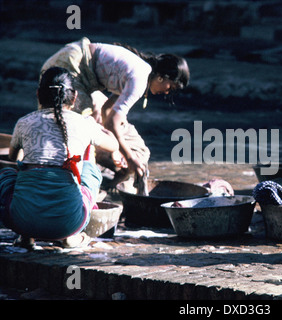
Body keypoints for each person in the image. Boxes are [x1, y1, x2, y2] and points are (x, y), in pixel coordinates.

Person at [40, 37, 190, 188]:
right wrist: (128, 156)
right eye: (170, 87)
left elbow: (106, 109)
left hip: (80, 68)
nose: (166, 92)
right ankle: (71, 184)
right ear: (161, 77)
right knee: (78, 130)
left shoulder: (140, 72)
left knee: (130, 145)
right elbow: (112, 122)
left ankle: (100, 179)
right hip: (71, 66)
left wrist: (115, 148)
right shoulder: (140, 79)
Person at [0, 67, 119, 248]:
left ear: (39, 95)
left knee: (7, 175)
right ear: (74, 96)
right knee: (90, 169)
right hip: (70, 223)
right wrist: (98, 128)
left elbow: (13, 156)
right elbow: (114, 146)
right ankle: (69, 238)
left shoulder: (24, 122)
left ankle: (26, 237)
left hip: (21, 221)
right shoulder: (84, 124)